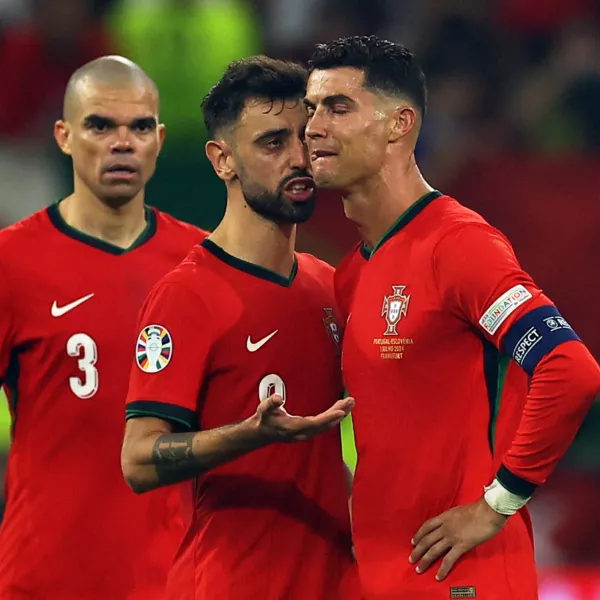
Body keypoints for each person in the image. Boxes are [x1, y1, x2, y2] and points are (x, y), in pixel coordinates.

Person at [304, 35, 600, 600]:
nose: (314, 126)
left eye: (338, 107)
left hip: (464, 578)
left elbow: (570, 369)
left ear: (399, 124)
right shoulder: (352, 273)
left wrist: (497, 505)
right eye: (312, 108)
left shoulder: (459, 246)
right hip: (383, 576)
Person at [121, 56, 359, 600]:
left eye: (306, 137)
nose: (299, 158)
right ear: (223, 159)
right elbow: (138, 459)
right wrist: (248, 437)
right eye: (273, 143)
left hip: (334, 582)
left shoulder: (329, 287)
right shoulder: (186, 296)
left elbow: (315, 464)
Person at [0, 56, 206, 599]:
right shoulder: (10, 263)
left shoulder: (203, 265)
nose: (123, 142)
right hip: (42, 580)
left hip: (176, 582)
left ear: (159, 139)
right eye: (100, 125)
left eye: (139, 127)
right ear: (64, 136)